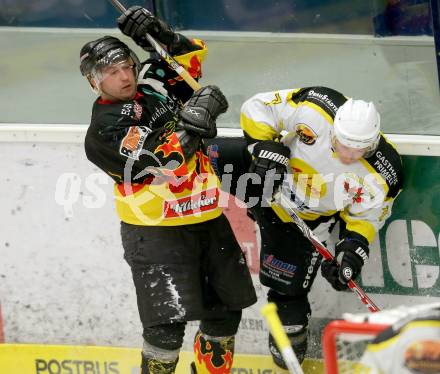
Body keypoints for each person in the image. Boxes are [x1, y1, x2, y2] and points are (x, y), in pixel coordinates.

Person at [79, 6, 257, 374]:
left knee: (225, 314)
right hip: (156, 233)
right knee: (165, 331)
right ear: (94, 82)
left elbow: (188, 57)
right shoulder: (104, 131)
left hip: (207, 219)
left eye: (127, 65)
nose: (125, 76)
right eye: (112, 72)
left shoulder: (151, 85)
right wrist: (198, 120)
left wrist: (158, 32)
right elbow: (162, 165)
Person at [239, 86, 404, 369]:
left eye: (359, 149)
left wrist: (351, 251)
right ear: (334, 130)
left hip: (300, 221)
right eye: (343, 144)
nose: (349, 154)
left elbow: (366, 217)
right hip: (262, 178)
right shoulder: (315, 107)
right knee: (203, 153)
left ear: (373, 142)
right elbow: (256, 107)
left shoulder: (384, 171)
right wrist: (264, 149)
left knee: (286, 297)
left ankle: (289, 352)